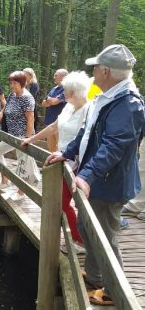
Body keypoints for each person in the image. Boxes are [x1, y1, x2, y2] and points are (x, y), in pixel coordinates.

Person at [45, 44, 143, 306]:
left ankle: (113, 291)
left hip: (109, 183)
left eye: (96, 68)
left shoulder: (128, 104)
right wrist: (67, 153)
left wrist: (87, 175)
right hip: (97, 178)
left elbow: (114, 144)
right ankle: (97, 275)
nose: (93, 73)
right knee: (87, 228)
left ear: (106, 71)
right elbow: (87, 134)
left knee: (105, 238)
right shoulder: (108, 96)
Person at [22, 71, 91, 253]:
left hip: (77, 162)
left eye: (66, 89)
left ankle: (80, 241)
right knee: (60, 201)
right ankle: (75, 236)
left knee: (64, 202)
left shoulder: (89, 111)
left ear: (73, 92)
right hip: (62, 159)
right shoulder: (68, 107)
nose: (63, 92)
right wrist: (32, 139)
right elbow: (54, 127)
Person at [0, 71, 38, 200]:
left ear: (22, 83)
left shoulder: (27, 98)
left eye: (15, 83)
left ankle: (21, 192)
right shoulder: (12, 95)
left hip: (23, 136)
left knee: (22, 164)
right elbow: (3, 112)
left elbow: (31, 120)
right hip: (11, 135)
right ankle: (5, 178)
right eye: (11, 83)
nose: (12, 86)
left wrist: (28, 138)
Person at [41, 69, 69, 152]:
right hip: (49, 122)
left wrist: (50, 100)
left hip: (60, 124)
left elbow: (54, 102)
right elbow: (43, 103)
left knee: (60, 149)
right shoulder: (54, 89)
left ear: (63, 77)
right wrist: (51, 101)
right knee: (51, 149)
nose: (54, 77)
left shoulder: (67, 89)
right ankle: (52, 165)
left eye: (56, 75)